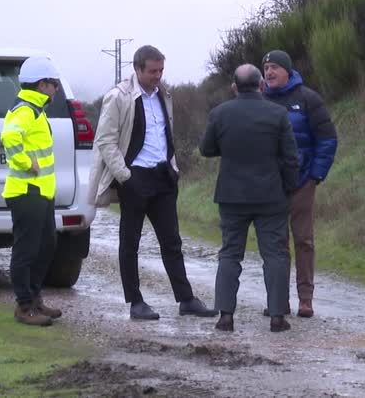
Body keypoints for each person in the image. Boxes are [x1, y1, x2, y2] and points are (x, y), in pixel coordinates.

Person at [88, 45, 217, 320]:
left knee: (172, 242)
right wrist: (125, 177)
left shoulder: (163, 95)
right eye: (152, 71)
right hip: (134, 178)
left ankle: (186, 299)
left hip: (162, 177)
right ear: (137, 69)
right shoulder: (118, 97)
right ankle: (135, 302)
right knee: (130, 243)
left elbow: (164, 134)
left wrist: (173, 168)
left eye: (161, 70)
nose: (158, 76)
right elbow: (105, 141)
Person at [200, 64, 299, 332]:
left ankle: (225, 316)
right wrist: (289, 189)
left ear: (234, 87)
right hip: (271, 195)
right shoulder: (278, 114)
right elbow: (290, 157)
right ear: (261, 85)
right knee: (275, 255)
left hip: (232, 195)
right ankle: (277, 317)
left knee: (230, 254)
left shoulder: (220, 113)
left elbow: (206, 149)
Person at [261, 50, 338, 318]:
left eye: (274, 67)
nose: (269, 72)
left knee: (303, 240)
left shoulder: (308, 99)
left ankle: (306, 299)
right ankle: (278, 301)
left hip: (303, 181)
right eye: (266, 68)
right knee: (276, 243)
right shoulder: (261, 100)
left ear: (287, 70)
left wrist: (316, 175)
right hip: (270, 184)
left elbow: (327, 139)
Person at [1, 56, 64, 326]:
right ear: (41, 85)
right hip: (26, 192)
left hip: (41, 192)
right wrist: (26, 163)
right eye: (53, 83)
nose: (56, 88)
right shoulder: (26, 110)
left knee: (47, 245)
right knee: (26, 250)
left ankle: (35, 299)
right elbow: (9, 136)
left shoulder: (36, 110)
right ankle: (24, 306)